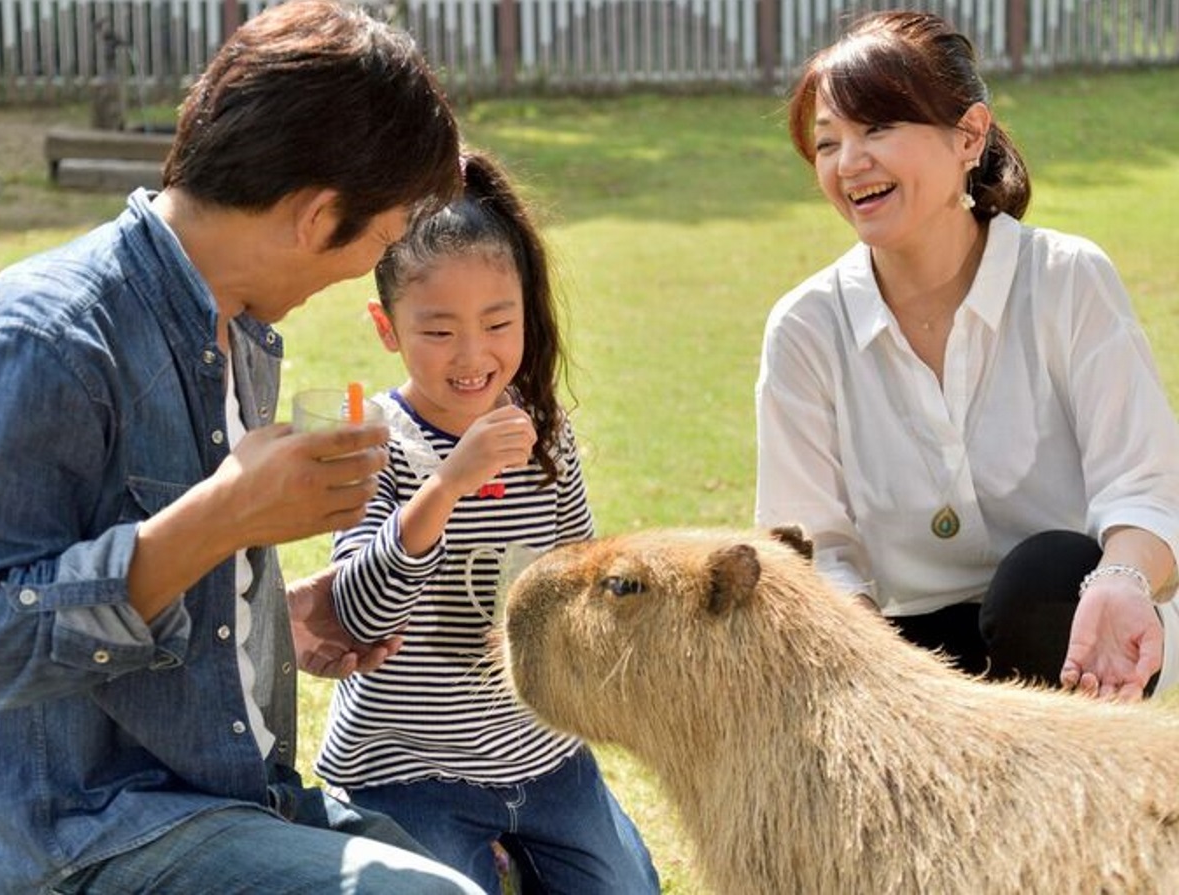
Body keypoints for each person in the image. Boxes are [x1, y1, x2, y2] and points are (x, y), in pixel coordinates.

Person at [0, 2, 487, 893]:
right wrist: (224, 517)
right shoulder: (51, 336)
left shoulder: (233, 326)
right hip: (89, 832)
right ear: (316, 214)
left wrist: (265, 617)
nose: (368, 261)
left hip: (234, 789)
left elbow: (146, 595)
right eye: (381, 235)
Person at [755, 10, 1179, 702]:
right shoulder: (806, 327)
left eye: (879, 128)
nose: (849, 163)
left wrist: (1122, 580)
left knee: (1042, 582)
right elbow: (812, 548)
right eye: (828, 143)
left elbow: (1147, 485)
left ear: (969, 136)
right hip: (911, 658)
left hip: (1078, 625)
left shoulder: (1067, 279)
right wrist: (876, 675)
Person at [312, 149, 661, 895]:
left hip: (542, 754)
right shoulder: (371, 439)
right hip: (407, 768)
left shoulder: (543, 434)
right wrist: (450, 483)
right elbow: (357, 613)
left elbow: (579, 574)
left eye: (498, 322)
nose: (473, 355)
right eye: (438, 332)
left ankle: (513, 853)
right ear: (387, 326)